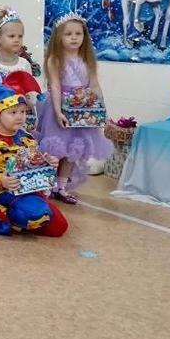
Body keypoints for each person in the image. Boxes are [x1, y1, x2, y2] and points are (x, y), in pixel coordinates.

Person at [0, 76, 68, 237]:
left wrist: (49, 162)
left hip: (30, 189)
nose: (20, 117)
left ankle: (25, 217)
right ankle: (3, 213)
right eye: (13, 112)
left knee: (59, 227)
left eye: (23, 112)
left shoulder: (27, 138)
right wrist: (0, 180)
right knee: (35, 215)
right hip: (4, 192)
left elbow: (35, 161)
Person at [35, 13, 113, 204]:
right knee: (55, 149)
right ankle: (44, 185)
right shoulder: (55, 59)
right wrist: (58, 111)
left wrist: (102, 110)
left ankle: (61, 187)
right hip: (60, 107)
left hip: (82, 110)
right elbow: (55, 85)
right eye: (68, 34)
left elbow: (94, 86)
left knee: (72, 150)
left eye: (78, 33)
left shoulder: (87, 60)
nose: (74, 37)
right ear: (59, 37)